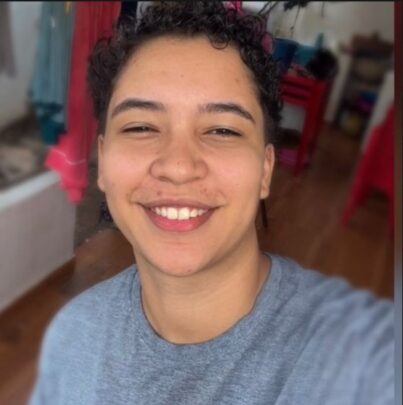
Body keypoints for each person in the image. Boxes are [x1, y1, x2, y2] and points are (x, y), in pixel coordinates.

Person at [29, 2, 394, 404]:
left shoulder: (364, 361)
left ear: (266, 169)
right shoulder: (71, 338)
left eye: (222, 130)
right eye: (141, 126)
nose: (178, 166)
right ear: (103, 159)